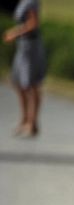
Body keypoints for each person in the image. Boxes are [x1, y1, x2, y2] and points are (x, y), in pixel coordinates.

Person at [4, 0, 46, 138]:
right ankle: (25, 120)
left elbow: (33, 23)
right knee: (18, 83)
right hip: (22, 46)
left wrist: (15, 33)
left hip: (30, 46)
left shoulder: (31, 2)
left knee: (31, 84)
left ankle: (32, 122)